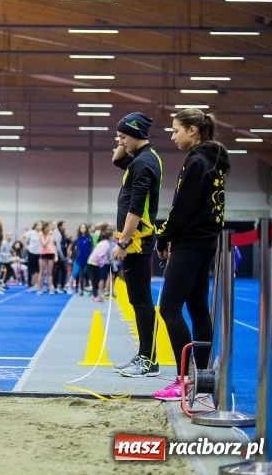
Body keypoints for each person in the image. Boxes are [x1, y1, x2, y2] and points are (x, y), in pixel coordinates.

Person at [152, 109, 230, 401]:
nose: (172, 137)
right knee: (197, 307)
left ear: (193, 131)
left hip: (191, 241)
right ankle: (204, 379)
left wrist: (165, 236)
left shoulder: (197, 161)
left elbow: (182, 207)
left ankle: (184, 380)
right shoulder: (213, 160)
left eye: (176, 131)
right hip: (206, 240)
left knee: (169, 307)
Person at [110, 112, 162, 378]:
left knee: (141, 301)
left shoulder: (144, 163)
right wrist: (124, 139)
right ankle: (145, 355)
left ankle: (149, 360)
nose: (119, 142)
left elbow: (135, 208)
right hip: (135, 240)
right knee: (137, 299)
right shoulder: (141, 159)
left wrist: (123, 241)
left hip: (137, 241)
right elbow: (116, 159)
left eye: (122, 137)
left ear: (136, 135)